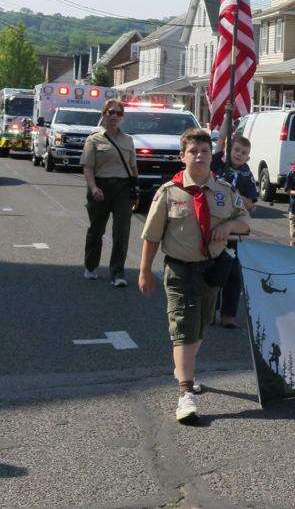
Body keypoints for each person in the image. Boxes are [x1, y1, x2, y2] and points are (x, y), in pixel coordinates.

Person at [138, 128, 250, 423]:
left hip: (213, 270)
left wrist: (229, 227)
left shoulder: (224, 192)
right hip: (180, 270)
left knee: (199, 328)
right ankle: (185, 393)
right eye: (193, 152)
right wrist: (144, 271)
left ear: (212, 155)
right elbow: (151, 236)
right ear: (182, 157)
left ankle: (183, 370)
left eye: (204, 151)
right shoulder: (168, 193)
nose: (199, 156)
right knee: (185, 329)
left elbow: (246, 220)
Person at [80, 99, 138, 287]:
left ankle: (117, 273)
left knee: (122, 231)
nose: (114, 116)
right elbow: (88, 168)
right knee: (97, 230)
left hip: (122, 189)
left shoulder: (128, 140)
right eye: (111, 112)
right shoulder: (94, 139)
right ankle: (90, 265)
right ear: (104, 114)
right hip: (101, 188)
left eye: (118, 113)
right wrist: (93, 188)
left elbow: (133, 168)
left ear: (122, 117)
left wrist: (135, 189)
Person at [210, 134, 258, 328]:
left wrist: (237, 195)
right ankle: (211, 310)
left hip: (235, 229)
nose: (239, 154)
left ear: (248, 157)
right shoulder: (217, 164)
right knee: (212, 268)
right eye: (236, 150)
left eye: (244, 153)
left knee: (233, 272)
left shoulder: (246, 175)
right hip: (214, 224)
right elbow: (221, 140)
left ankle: (229, 314)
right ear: (229, 150)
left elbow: (252, 204)